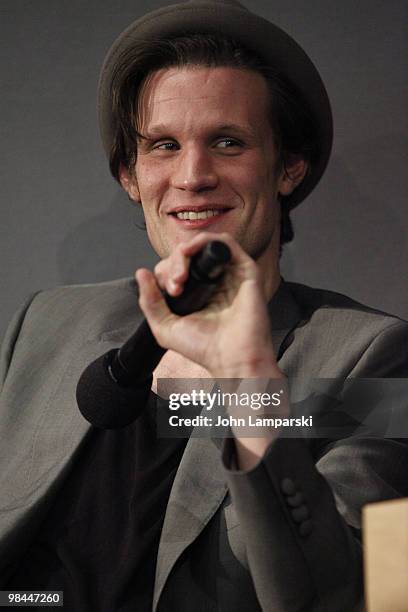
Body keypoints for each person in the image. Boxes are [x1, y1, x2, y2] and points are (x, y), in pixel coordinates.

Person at [0, 1, 407, 611]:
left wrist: (251, 390)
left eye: (227, 141)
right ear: (130, 176)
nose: (193, 175)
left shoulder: (377, 356)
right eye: (163, 145)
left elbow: (360, 594)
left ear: (288, 167)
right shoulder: (49, 321)